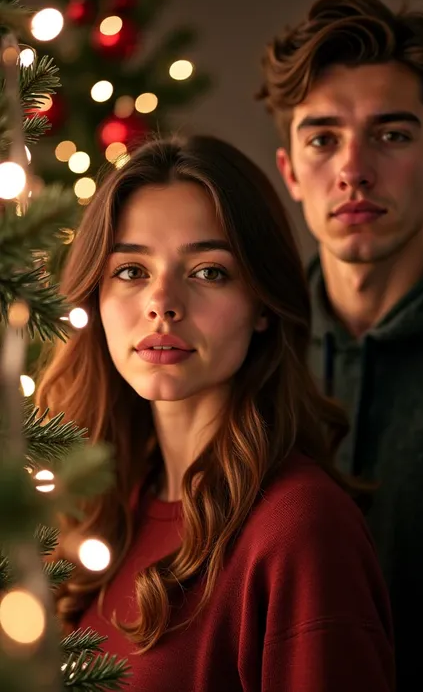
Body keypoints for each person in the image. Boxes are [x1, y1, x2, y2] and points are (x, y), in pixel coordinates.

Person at [36, 135, 394, 691]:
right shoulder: (103, 511)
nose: (162, 302)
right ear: (94, 298)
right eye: (131, 270)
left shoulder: (299, 530)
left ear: (262, 307)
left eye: (208, 271)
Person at [257, 0, 423, 691]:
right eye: (323, 137)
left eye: (392, 134)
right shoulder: (251, 346)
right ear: (289, 171)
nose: (354, 169)